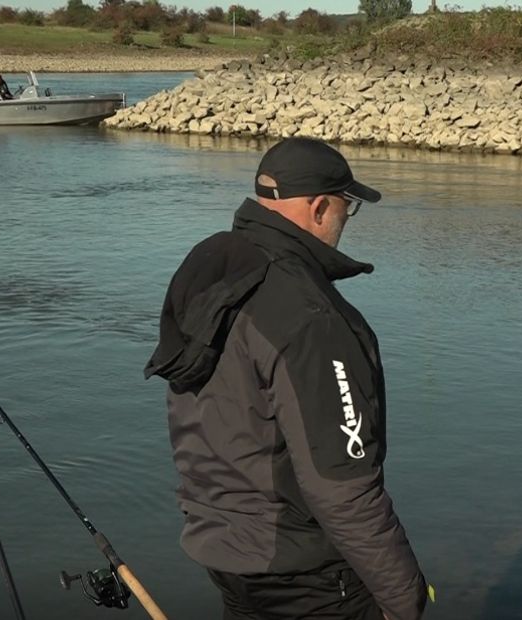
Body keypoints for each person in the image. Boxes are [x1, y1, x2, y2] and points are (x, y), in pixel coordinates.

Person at [145, 137, 427, 620]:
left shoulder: (216, 269)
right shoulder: (312, 318)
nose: (345, 221)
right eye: (347, 207)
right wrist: (406, 600)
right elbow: (342, 485)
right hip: (305, 575)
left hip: (224, 551)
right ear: (320, 207)